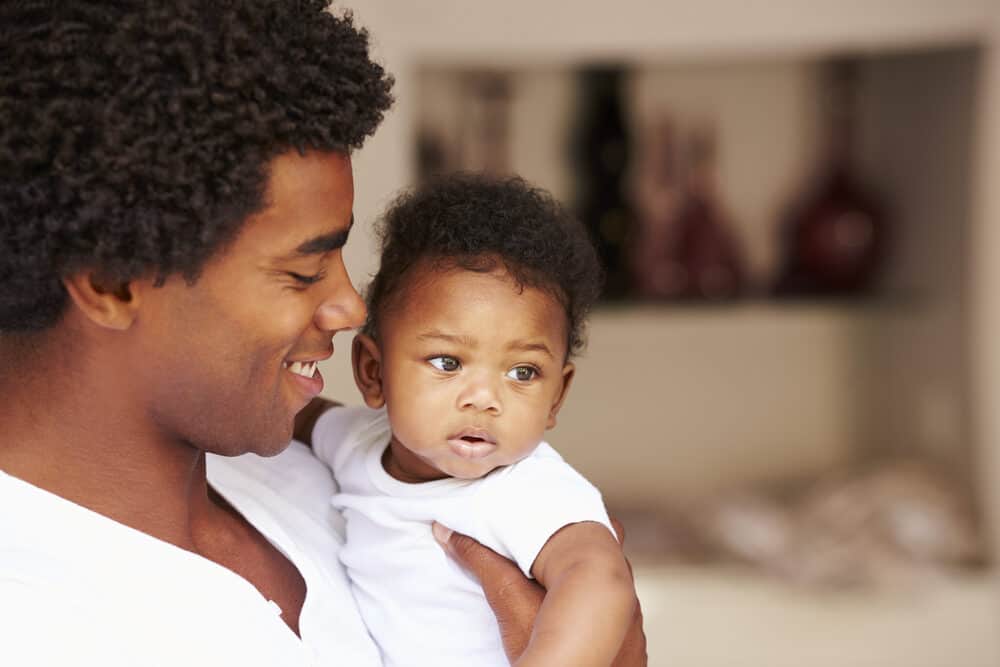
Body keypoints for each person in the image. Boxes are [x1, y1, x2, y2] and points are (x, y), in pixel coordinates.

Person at [0, 1, 646, 665]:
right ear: (112, 282)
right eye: (303, 270)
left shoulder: (306, 468)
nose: (350, 306)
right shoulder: (32, 618)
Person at [298, 174, 635, 667]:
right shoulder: (355, 443)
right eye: (447, 362)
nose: (484, 398)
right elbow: (298, 414)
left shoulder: (525, 487)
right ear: (373, 372)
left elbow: (599, 578)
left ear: (556, 397)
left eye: (523, 372)